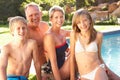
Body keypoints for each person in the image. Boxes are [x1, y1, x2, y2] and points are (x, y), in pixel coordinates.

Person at [70, 9, 108, 80]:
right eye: (79, 22)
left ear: (90, 20)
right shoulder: (74, 35)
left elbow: (99, 56)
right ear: (76, 24)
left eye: (85, 20)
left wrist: (109, 72)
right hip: (84, 75)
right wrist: (72, 78)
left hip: (97, 70)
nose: (83, 24)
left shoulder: (98, 35)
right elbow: (72, 58)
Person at [43, 5, 71, 80]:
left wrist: (72, 48)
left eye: (61, 17)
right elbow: (53, 63)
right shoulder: (49, 36)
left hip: (63, 67)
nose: (59, 19)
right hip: (54, 72)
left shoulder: (63, 32)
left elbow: (78, 34)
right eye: (56, 17)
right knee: (74, 56)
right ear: (51, 19)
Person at [24, 2, 49, 78]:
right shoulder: (25, 32)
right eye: (30, 15)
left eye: (36, 14)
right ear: (26, 17)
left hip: (56, 60)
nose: (34, 17)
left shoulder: (45, 25)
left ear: (40, 13)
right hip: (43, 67)